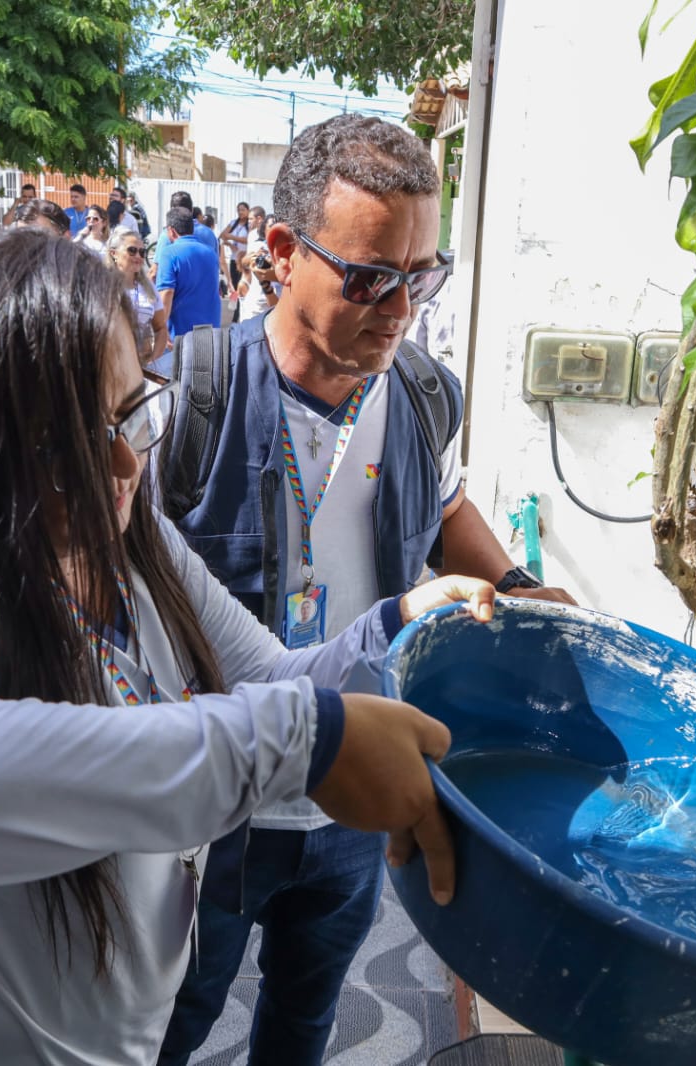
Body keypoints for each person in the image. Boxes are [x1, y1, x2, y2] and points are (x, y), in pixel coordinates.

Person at [0, 228, 488, 1066]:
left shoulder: (134, 546)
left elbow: (274, 672)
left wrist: (402, 624)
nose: (124, 464)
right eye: (64, 445)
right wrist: (295, 740)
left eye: (133, 411)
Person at [156, 114, 576, 1066]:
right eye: (372, 277)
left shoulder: (425, 395)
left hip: (355, 796)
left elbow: (445, 504)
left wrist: (513, 582)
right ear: (279, 253)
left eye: (420, 277)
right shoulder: (196, 400)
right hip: (216, 805)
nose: (400, 309)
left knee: (306, 1021)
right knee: (168, 1026)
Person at [153, 207, 223, 375]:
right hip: (210, 332)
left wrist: (160, 328)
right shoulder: (210, 253)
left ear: (171, 230)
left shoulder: (169, 253)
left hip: (181, 335)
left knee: (175, 386)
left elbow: (166, 293)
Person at [109, 227, 168, 364]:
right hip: (111, 368)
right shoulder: (102, 285)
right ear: (114, 253)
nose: (138, 256)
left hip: (142, 368)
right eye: (132, 250)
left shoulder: (148, 288)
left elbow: (160, 328)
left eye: (142, 252)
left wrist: (153, 361)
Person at [153, 191, 218, 271]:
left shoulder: (168, 234)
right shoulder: (209, 233)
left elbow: (156, 270)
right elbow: (215, 265)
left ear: (172, 211)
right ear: (192, 210)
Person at [235, 207, 277, 321]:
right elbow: (245, 262)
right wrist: (252, 258)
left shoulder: (286, 251)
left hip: (276, 304)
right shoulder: (255, 239)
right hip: (255, 303)